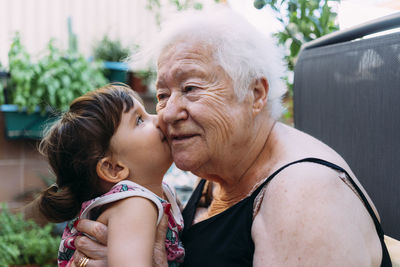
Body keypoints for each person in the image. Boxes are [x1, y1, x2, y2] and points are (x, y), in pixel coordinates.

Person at [36, 7, 392, 267]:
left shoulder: (304, 194)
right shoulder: (216, 175)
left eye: (190, 88)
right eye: (161, 95)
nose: (168, 112)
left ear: (255, 94)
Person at [37, 84, 184, 267]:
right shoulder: (135, 205)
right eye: (139, 120)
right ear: (113, 169)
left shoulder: (159, 195)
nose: (159, 118)